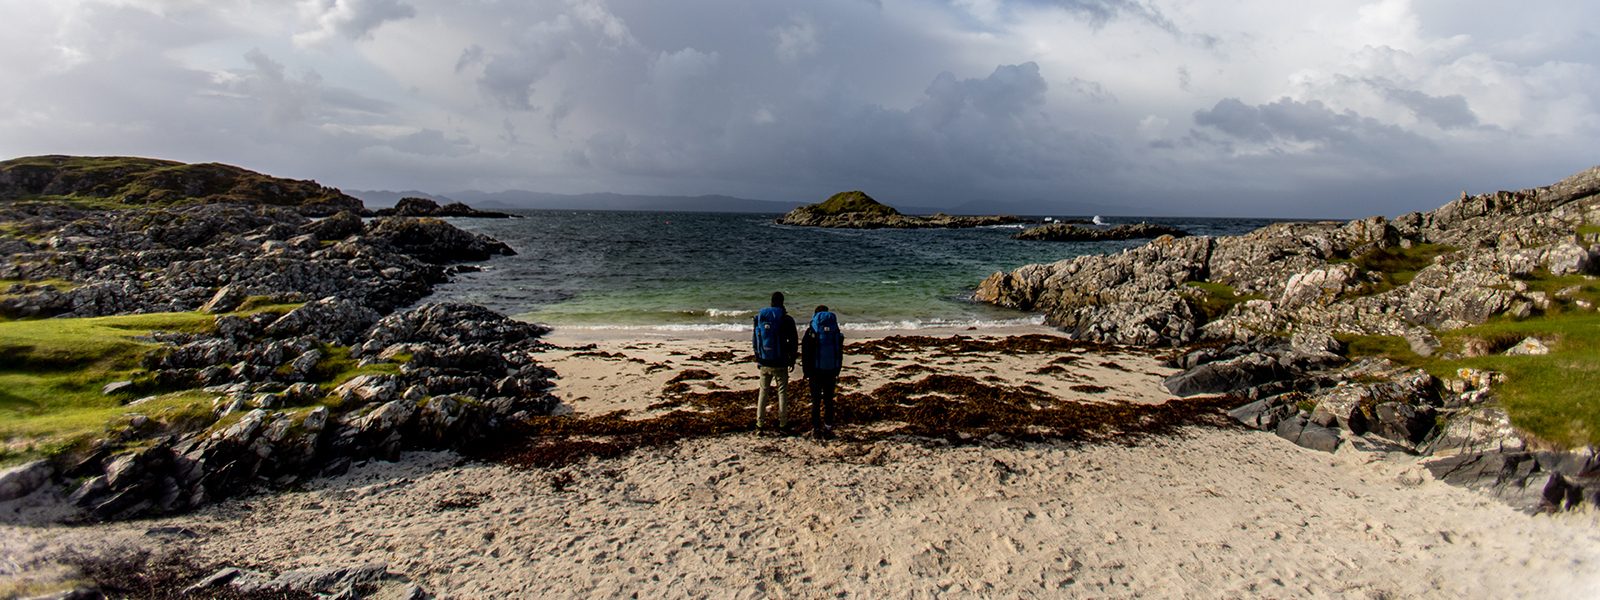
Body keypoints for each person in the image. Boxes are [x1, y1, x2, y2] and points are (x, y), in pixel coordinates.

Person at [752, 291, 798, 432]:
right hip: (781, 361)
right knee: (782, 392)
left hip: (764, 360)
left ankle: (760, 425)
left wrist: (758, 357)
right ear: (782, 302)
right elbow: (794, 341)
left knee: (763, 392)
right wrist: (792, 359)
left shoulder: (761, 317)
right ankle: (783, 424)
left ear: (771, 302)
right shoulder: (786, 319)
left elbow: (755, 339)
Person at [801, 305, 844, 439]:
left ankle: (816, 428)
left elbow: (805, 353)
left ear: (815, 316)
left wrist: (806, 372)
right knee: (828, 401)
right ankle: (828, 427)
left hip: (815, 371)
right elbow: (839, 351)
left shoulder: (811, 331)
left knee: (816, 401)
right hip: (831, 370)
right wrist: (837, 369)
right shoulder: (835, 331)